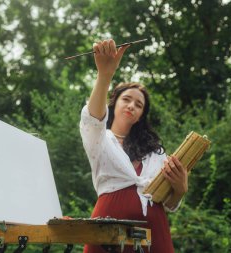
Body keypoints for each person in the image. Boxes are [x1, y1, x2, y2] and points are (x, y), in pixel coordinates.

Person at [80, 39, 188, 253]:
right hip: (106, 230)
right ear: (114, 104)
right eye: (126, 99)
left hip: (154, 230)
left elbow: (169, 202)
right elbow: (93, 119)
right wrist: (105, 75)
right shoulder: (99, 139)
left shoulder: (155, 153)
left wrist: (180, 189)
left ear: (141, 116)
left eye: (139, 105)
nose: (132, 105)